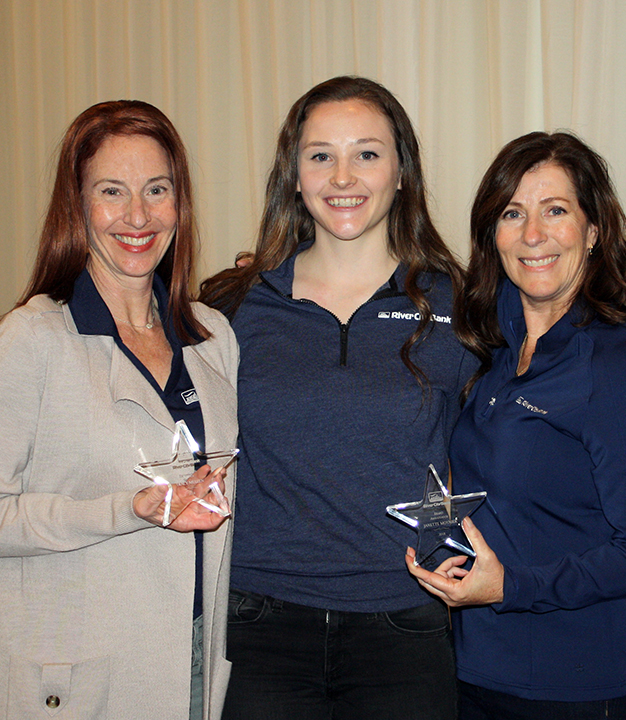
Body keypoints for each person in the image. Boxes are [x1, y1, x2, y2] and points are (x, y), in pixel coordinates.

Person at [199, 76, 474, 720]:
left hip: (406, 621)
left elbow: (508, 451)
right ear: (293, 175)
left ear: (402, 171)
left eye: (367, 153)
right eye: (320, 154)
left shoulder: (458, 306)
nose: (342, 175)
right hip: (260, 624)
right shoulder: (232, 306)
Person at [407, 131, 626, 719]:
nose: (533, 235)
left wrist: (513, 587)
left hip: (588, 689)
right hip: (480, 672)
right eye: (513, 213)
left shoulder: (616, 369)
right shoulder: (492, 345)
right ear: (492, 234)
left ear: (593, 230)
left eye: (556, 210)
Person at [0, 100, 238, 719]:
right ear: (77, 205)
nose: (137, 216)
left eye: (156, 190)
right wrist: (124, 510)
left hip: (198, 662)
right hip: (82, 680)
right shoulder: (32, 339)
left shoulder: (213, 336)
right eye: (112, 191)